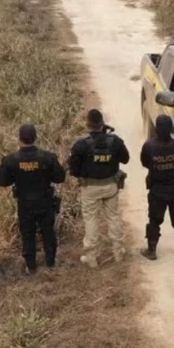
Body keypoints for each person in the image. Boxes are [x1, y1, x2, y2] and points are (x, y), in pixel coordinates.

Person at [0, 123, 67, 274]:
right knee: (48, 231)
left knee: (27, 233)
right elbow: (60, 178)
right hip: (45, 201)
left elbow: (2, 182)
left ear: (19, 138)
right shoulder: (48, 157)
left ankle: (31, 265)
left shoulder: (11, 160)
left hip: (25, 203)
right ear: (35, 137)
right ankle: (50, 261)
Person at [67, 109, 129, 268]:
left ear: (87, 125)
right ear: (102, 124)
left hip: (90, 188)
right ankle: (118, 252)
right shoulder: (114, 141)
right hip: (111, 186)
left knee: (91, 219)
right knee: (113, 217)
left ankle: (92, 257)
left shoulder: (81, 145)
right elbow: (125, 159)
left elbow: (73, 170)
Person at [139, 114, 174, 260]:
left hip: (157, 189)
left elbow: (145, 162)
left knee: (154, 220)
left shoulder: (149, 146)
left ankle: (152, 249)